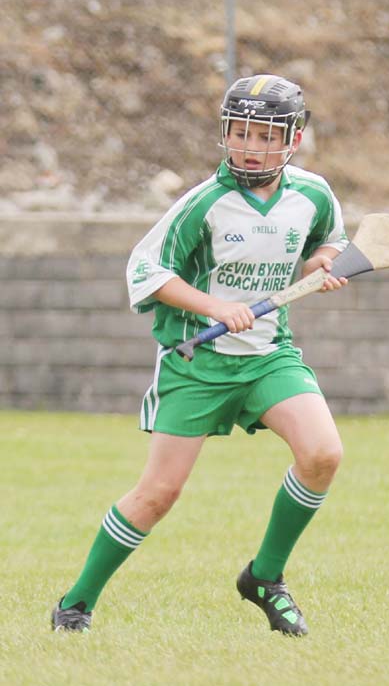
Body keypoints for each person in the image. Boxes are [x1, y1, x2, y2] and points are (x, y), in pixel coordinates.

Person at [51, 73, 349, 636]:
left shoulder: (313, 193)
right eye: (240, 133)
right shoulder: (203, 204)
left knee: (323, 454)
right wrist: (215, 306)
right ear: (225, 133)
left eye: (266, 136)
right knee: (158, 494)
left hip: (269, 355)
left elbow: (328, 239)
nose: (251, 147)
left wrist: (321, 265)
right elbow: (146, 271)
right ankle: (76, 603)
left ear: (294, 139)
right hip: (197, 365)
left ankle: (265, 577)